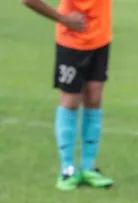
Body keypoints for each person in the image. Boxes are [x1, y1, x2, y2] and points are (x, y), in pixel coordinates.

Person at [22, 0, 114, 191]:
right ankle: (67, 170)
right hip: (72, 41)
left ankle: (89, 167)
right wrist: (63, 19)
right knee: (71, 101)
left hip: (100, 39)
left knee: (94, 98)